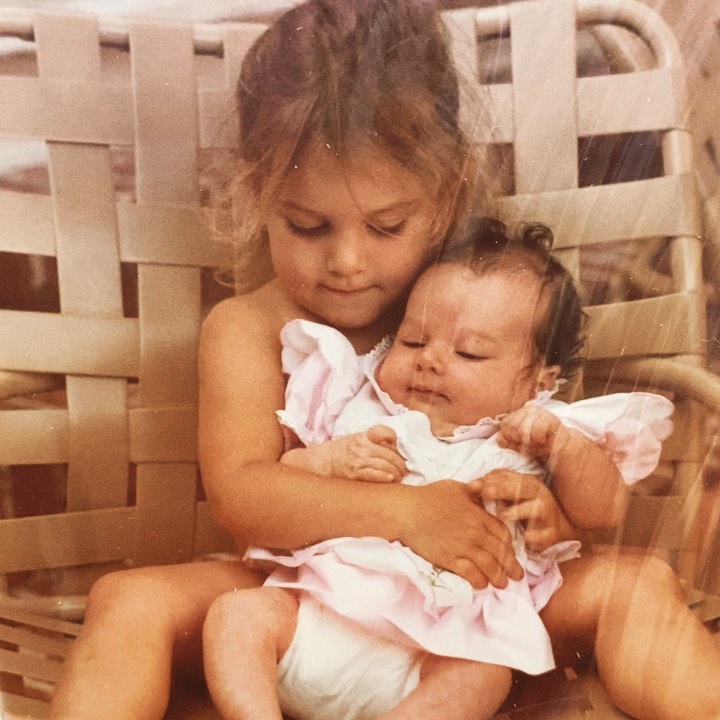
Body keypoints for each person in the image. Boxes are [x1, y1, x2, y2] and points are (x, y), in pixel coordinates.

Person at [49, 1, 720, 719]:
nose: (347, 261)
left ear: (448, 192)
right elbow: (243, 496)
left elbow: (558, 467)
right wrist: (409, 515)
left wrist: (550, 517)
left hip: (478, 616)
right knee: (128, 600)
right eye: (308, 225)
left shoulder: (475, 303)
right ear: (258, 193)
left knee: (637, 585)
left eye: (387, 226)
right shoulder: (247, 328)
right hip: (309, 599)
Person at [202, 221, 674, 720]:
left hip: (438, 651)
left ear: (538, 381)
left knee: (483, 676)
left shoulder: (540, 432)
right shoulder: (355, 404)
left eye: (469, 352)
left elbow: (604, 509)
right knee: (236, 614)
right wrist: (328, 460)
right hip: (313, 616)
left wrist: (563, 449)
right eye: (411, 341)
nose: (430, 360)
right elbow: (287, 470)